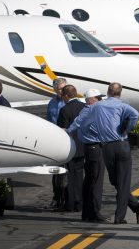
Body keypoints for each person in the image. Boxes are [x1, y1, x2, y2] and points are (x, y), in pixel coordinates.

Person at [92, 82, 139, 224]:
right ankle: (133, 206)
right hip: (122, 144)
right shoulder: (122, 105)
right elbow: (135, 114)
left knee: (116, 181)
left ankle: (122, 214)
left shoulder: (98, 106)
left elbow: (85, 120)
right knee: (122, 182)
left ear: (108, 92)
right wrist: (127, 128)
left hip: (107, 147)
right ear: (120, 93)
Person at [67, 88, 108, 223]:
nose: (100, 100)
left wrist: (67, 130)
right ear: (91, 100)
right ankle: (95, 212)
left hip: (90, 148)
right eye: (98, 98)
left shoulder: (86, 110)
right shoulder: (91, 110)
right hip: (95, 148)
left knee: (89, 181)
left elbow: (76, 123)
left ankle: (87, 212)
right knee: (96, 182)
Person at [57, 84, 85, 212]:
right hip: (83, 145)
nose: (61, 97)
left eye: (62, 95)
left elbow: (61, 130)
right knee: (79, 176)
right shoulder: (83, 107)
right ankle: (79, 203)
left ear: (67, 96)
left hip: (70, 147)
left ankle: (70, 203)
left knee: (69, 176)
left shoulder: (65, 110)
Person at [47, 77, 67, 210]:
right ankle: (56, 197)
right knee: (56, 171)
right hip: (55, 140)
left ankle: (66, 198)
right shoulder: (51, 103)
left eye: (64, 88)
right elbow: (48, 121)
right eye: (60, 89)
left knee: (67, 171)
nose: (62, 91)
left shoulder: (69, 102)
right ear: (55, 89)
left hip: (68, 138)